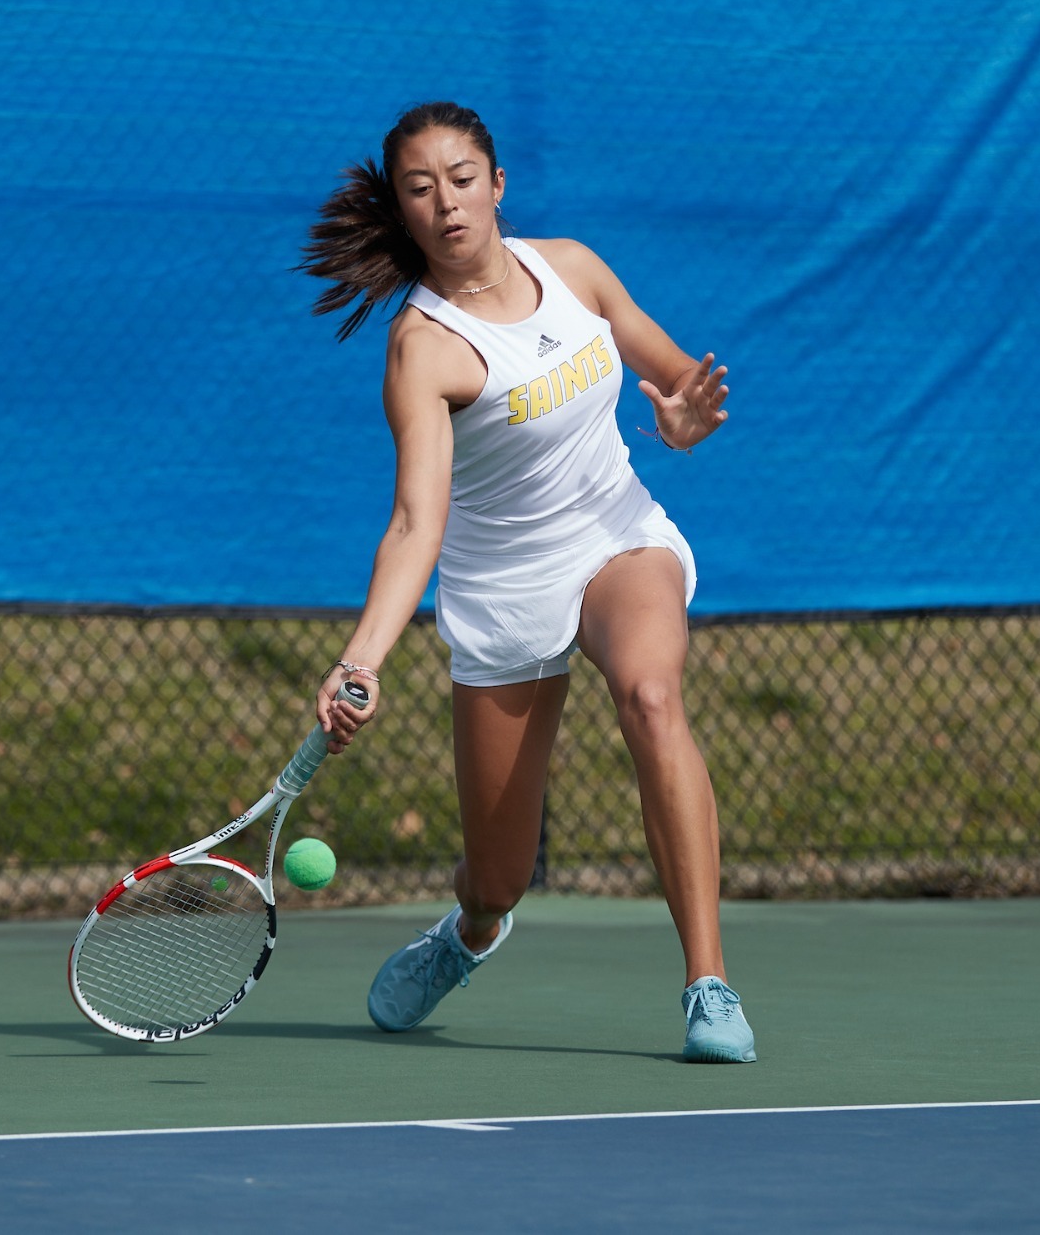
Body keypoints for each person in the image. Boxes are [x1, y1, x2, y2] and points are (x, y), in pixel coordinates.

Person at [298, 101, 753, 1063]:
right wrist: (362, 658)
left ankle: (707, 984)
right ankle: (468, 930)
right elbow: (418, 524)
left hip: (616, 536)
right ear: (402, 208)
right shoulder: (423, 349)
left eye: (463, 179)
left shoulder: (574, 269)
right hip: (503, 589)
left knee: (652, 694)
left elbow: (673, 379)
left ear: (497, 184)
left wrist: (681, 421)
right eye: (421, 189)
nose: (447, 203)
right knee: (499, 877)